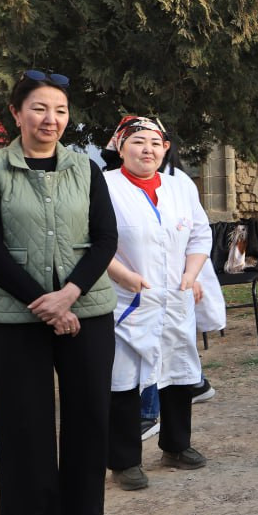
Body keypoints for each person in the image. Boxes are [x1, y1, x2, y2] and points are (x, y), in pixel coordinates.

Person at [0, 70, 117, 515]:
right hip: (13, 316)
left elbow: (105, 238)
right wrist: (45, 304)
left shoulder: (86, 169)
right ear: (16, 113)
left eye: (59, 110)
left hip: (86, 310)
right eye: (38, 108)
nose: (50, 119)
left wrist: (70, 294)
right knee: (22, 420)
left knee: (89, 414)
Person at [103, 116, 212, 491]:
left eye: (155, 142)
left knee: (178, 369)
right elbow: (92, 240)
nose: (147, 149)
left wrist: (191, 273)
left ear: (165, 148)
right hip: (128, 301)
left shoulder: (180, 186)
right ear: (120, 148)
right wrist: (122, 275)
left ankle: (176, 446)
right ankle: (124, 462)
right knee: (124, 380)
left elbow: (200, 233)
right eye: (137, 142)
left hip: (175, 297)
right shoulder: (105, 186)